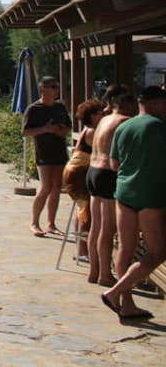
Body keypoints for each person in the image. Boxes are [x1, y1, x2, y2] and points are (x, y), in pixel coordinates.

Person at [101, 86, 166, 321]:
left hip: (124, 192)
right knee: (157, 252)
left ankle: (127, 304)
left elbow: (114, 164)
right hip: (150, 195)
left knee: (125, 249)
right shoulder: (159, 127)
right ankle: (115, 292)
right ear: (156, 103)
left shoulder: (123, 126)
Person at [86, 86, 137, 286]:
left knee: (95, 226)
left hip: (92, 171)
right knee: (107, 229)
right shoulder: (124, 121)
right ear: (127, 105)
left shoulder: (104, 120)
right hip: (107, 173)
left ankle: (94, 271)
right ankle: (105, 274)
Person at [22, 76, 72, 237]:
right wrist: (45, 129)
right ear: (43, 89)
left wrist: (61, 130)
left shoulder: (60, 107)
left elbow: (68, 127)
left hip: (59, 151)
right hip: (43, 152)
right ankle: (34, 222)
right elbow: (25, 131)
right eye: (52, 87)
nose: (55, 90)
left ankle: (51, 224)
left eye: (56, 86)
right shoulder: (34, 109)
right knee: (46, 187)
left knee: (57, 188)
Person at [64, 99, 103, 262]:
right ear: (93, 116)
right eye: (100, 112)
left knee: (82, 209)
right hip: (80, 173)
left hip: (75, 170)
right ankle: (82, 250)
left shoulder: (87, 129)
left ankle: (79, 249)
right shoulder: (93, 131)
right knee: (85, 212)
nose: (103, 114)